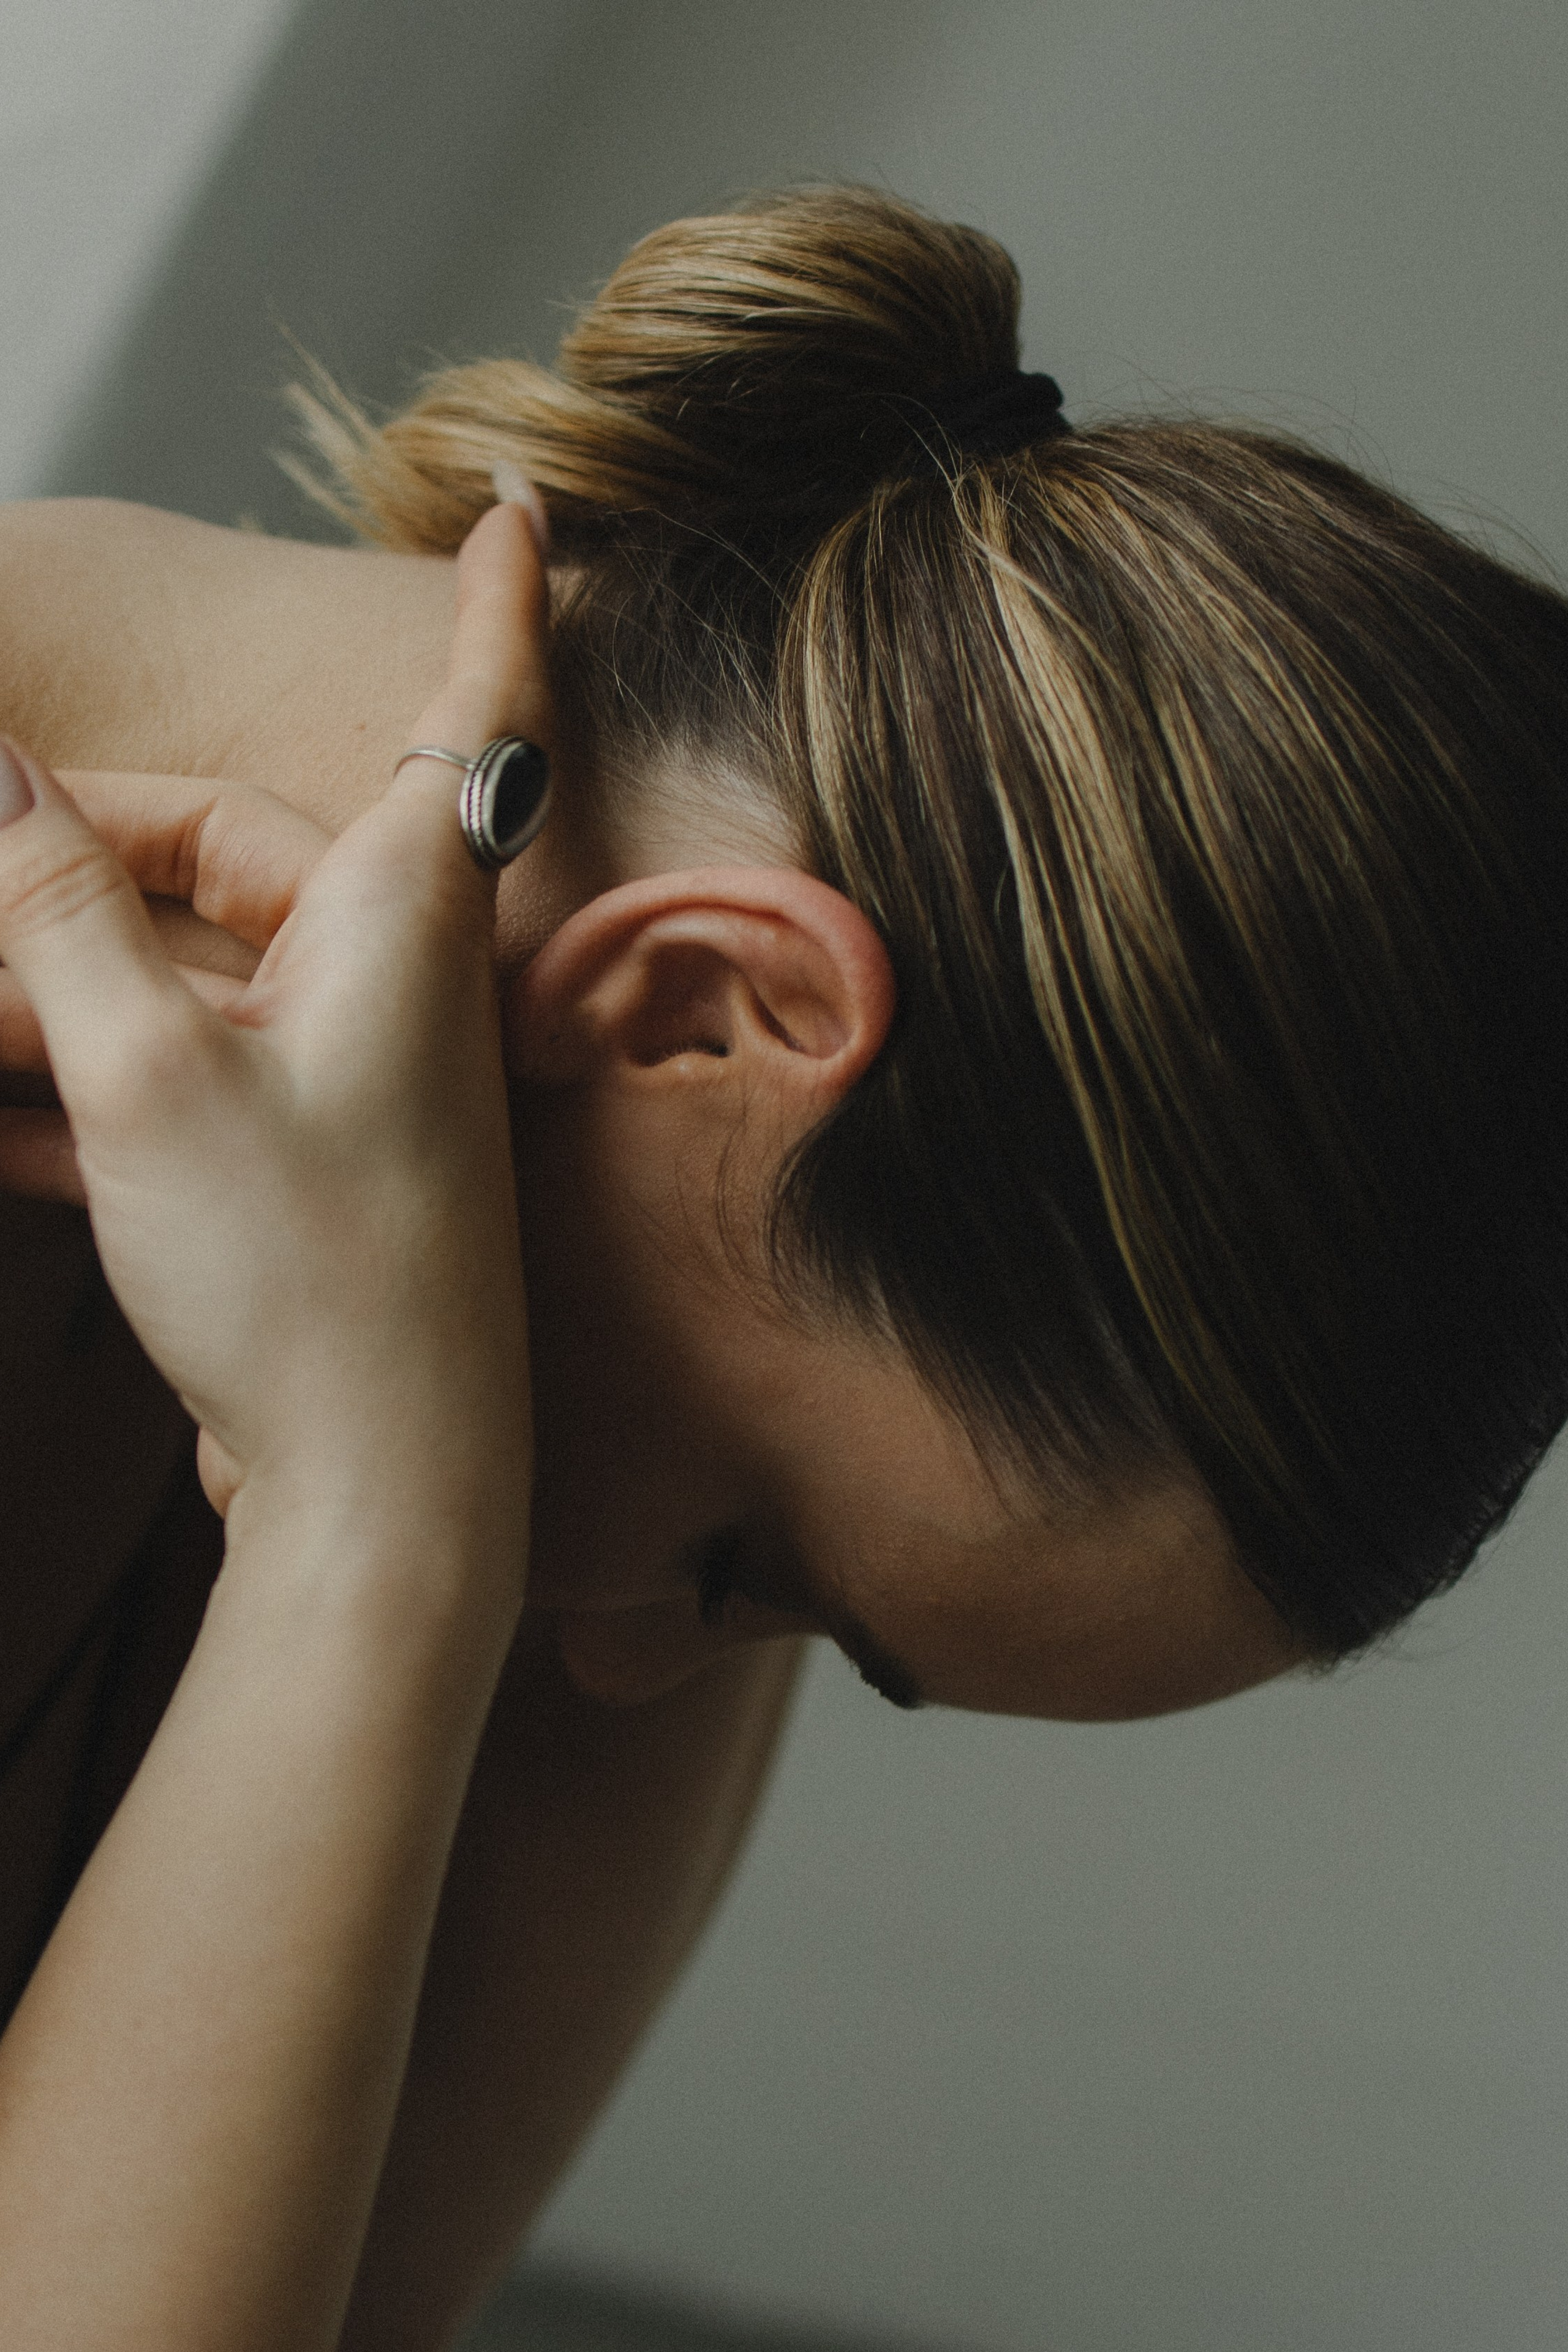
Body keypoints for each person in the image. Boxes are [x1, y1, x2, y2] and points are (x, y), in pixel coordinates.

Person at [0, 181, 1565, 2342]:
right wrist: (364, 1535)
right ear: (694, 1014)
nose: (648, 1659)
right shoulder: (469, 1497)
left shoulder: (568, 1460)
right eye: (756, 1569)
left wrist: (379, 1541)